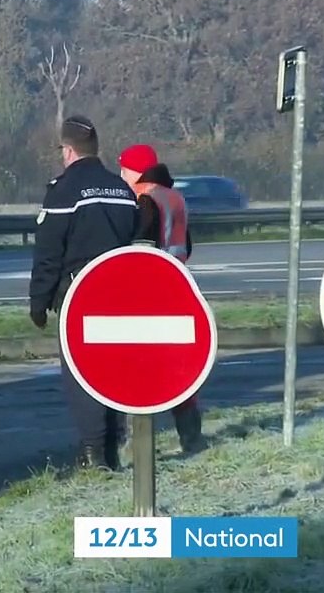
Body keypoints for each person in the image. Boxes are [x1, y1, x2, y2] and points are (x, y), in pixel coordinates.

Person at [29, 116, 138, 471]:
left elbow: (49, 253)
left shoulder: (64, 190)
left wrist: (39, 301)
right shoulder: (121, 189)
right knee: (114, 371)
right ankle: (114, 447)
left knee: (82, 372)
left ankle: (93, 453)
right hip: (120, 293)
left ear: (68, 150)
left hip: (80, 295)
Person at [117, 143, 206, 454]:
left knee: (138, 363)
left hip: (150, 292)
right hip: (177, 286)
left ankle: (137, 443)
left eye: (125, 170)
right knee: (178, 366)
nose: (122, 176)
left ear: (138, 171)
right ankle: (192, 436)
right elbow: (186, 246)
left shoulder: (145, 199)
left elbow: (141, 249)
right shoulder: (174, 197)